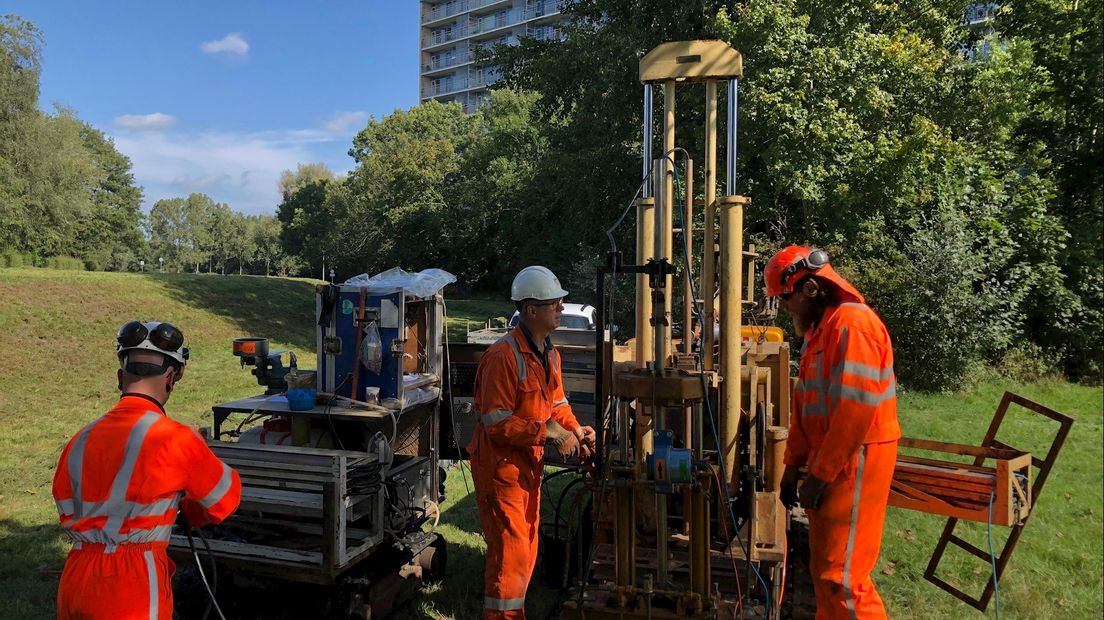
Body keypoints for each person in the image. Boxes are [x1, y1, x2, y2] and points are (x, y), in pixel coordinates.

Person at [52, 320, 242, 620]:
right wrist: (190, 508)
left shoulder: (81, 438)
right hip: (132, 585)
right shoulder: (175, 438)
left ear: (119, 377)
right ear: (171, 377)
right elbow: (225, 500)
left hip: (76, 577)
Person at [766, 247, 901, 620]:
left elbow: (855, 411)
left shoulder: (852, 326)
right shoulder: (821, 331)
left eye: (785, 298)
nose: (786, 308)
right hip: (834, 459)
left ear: (809, 288)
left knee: (843, 579)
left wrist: (821, 475)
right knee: (825, 573)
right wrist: (793, 464)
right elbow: (806, 405)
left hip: (856, 459)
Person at [467, 266, 597, 619]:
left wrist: (577, 431)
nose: (560, 308)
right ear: (530, 311)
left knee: (526, 549)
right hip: (501, 471)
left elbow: (558, 405)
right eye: (553, 303)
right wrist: (549, 433)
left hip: (527, 470)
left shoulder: (549, 354)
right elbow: (496, 423)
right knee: (509, 556)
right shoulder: (502, 357)